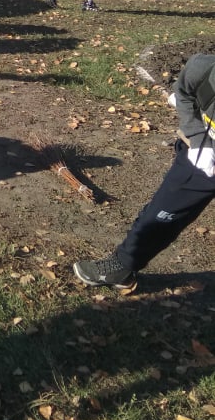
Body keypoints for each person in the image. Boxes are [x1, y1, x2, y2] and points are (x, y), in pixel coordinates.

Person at [74, 53, 215, 290]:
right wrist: (198, 138)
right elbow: (183, 94)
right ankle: (122, 267)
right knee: (160, 215)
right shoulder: (204, 68)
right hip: (202, 157)